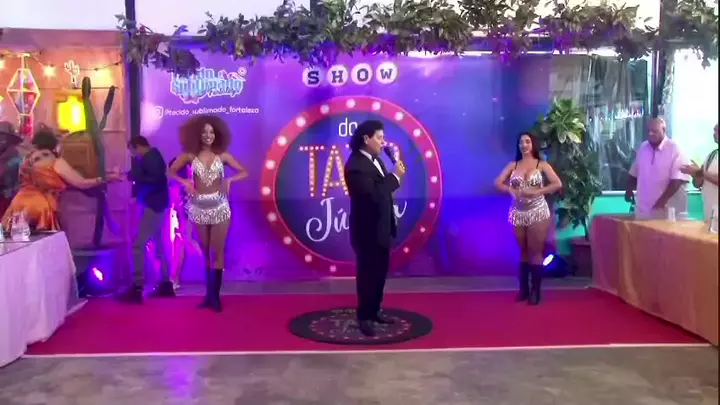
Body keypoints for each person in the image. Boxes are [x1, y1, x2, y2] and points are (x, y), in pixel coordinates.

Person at [168, 115, 248, 312]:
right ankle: (209, 296)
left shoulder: (223, 156)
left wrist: (229, 181)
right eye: (204, 132)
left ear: (217, 134)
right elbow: (170, 172)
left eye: (211, 132)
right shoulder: (189, 156)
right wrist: (186, 183)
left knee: (217, 251)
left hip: (219, 206)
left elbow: (244, 171)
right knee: (206, 253)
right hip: (199, 206)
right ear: (197, 134)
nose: (208, 135)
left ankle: (216, 297)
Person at [344, 120, 406, 336]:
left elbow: (382, 190)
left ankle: (375, 310)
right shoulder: (355, 166)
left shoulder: (376, 160)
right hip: (367, 231)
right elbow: (375, 195)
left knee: (380, 273)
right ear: (366, 139)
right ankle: (364, 317)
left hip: (382, 228)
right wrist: (395, 177)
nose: (383, 142)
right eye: (379, 137)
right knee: (367, 274)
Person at [2, 128, 123, 231]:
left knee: (17, 245)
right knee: (44, 245)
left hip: (18, 203)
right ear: (55, 145)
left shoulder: (26, 160)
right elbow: (81, 183)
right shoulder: (55, 162)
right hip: (42, 206)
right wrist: (106, 178)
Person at [494, 132, 562, 305]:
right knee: (523, 251)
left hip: (537, 211)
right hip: (518, 211)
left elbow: (557, 184)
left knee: (535, 251)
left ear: (533, 144)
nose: (524, 145)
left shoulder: (542, 164)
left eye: (527, 141)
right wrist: (510, 189)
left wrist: (538, 191)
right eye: (521, 142)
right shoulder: (513, 165)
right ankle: (523, 289)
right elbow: (498, 182)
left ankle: (535, 291)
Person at [116, 135, 175, 303]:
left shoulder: (151, 158)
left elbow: (155, 180)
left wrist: (133, 176)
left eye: (132, 150)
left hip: (154, 206)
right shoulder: (152, 157)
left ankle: (137, 286)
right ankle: (165, 284)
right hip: (157, 205)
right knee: (158, 246)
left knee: (138, 245)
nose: (132, 154)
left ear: (137, 146)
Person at [625, 118, 691, 219]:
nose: (650, 134)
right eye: (649, 131)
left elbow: (677, 181)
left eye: (654, 131)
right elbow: (634, 171)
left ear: (664, 130)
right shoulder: (643, 148)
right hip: (644, 211)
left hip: (668, 212)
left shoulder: (675, 149)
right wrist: (629, 189)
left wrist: (662, 201)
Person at [681, 124, 718, 220]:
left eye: (717, 131)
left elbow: (703, 174)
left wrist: (700, 172)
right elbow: (698, 183)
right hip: (709, 210)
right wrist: (693, 173)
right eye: (714, 131)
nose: (714, 134)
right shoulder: (711, 155)